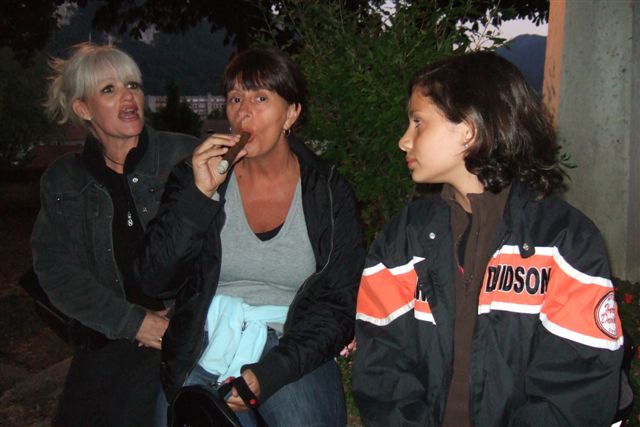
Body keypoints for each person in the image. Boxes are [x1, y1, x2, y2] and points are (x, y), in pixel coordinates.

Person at [351, 51, 624, 427]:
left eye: (418, 122)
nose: (404, 141)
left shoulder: (564, 241)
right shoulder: (404, 238)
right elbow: (381, 367)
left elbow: (577, 387)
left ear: (468, 129)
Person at [134, 47, 365, 426]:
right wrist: (199, 197)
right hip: (207, 338)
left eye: (261, 98)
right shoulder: (196, 176)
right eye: (235, 99)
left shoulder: (326, 191)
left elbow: (340, 303)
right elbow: (154, 280)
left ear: (291, 113)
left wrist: (271, 372)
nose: (244, 112)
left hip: (293, 342)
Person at [31, 42, 199, 426]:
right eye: (109, 89)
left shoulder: (185, 157)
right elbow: (57, 271)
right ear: (83, 109)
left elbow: (221, 246)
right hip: (109, 334)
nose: (128, 97)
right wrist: (133, 322)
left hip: (182, 331)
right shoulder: (63, 180)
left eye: (132, 85)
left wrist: (176, 318)